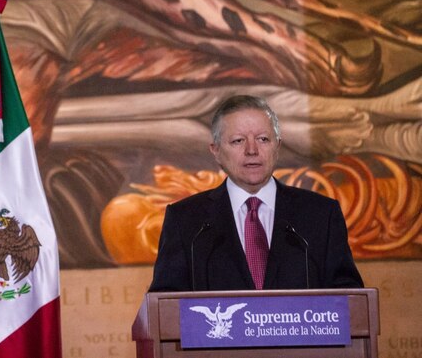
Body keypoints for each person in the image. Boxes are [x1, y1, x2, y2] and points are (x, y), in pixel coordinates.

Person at [149, 95, 363, 291]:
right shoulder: (187, 222)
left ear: (277, 146)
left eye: (263, 139)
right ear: (216, 151)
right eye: (238, 141)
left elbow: (348, 300)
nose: (252, 150)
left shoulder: (320, 215)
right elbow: (165, 306)